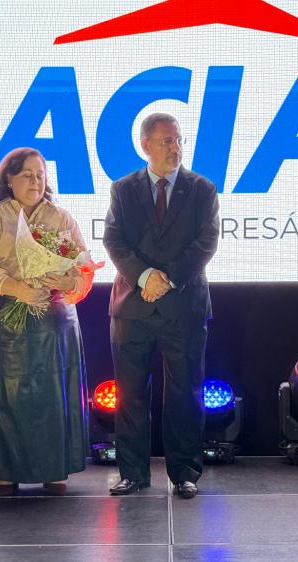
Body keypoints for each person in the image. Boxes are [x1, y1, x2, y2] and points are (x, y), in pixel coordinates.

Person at [103, 113, 220, 499]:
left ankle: (184, 473)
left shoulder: (202, 188)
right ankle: (132, 474)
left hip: (183, 305)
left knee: (185, 392)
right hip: (132, 307)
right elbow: (114, 240)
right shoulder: (123, 189)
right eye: (167, 141)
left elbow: (206, 242)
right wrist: (143, 277)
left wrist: (165, 278)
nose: (176, 148)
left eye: (179, 140)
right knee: (130, 395)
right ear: (145, 146)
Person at [0, 147, 94, 496]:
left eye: (40, 175)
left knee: (52, 396)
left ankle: (55, 468)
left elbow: (83, 268)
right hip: (6, 320)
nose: (35, 181)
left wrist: (67, 281)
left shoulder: (61, 218)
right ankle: (6, 472)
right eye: (27, 175)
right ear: (9, 178)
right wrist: (16, 287)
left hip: (54, 321)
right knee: (7, 398)